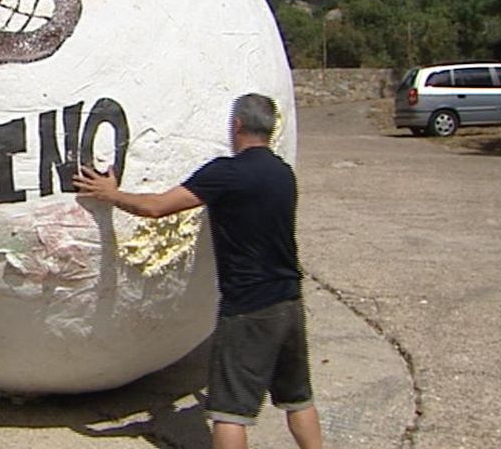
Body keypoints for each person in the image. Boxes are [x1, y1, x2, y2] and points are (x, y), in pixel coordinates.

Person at [73, 93, 323, 449]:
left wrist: (111, 194)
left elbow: (157, 207)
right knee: (297, 398)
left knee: (229, 412)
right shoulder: (284, 174)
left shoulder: (226, 174)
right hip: (290, 304)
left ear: (236, 126)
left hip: (249, 310)